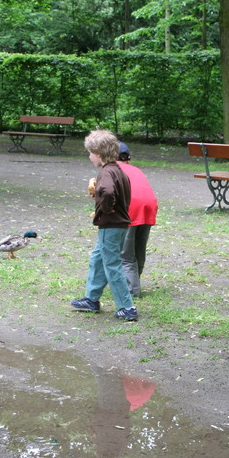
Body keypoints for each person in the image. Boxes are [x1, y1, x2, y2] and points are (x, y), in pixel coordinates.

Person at [70, 130, 138, 322]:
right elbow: (111, 193)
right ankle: (92, 299)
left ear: (98, 154)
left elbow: (108, 192)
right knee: (98, 257)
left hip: (111, 225)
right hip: (117, 225)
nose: (89, 157)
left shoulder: (106, 172)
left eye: (90, 153)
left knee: (112, 264)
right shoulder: (117, 170)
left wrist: (104, 209)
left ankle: (127, 307)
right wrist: (99, 197)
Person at [117, 142, 158, 297]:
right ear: (128, 158)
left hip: (131, 207)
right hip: (149, 206)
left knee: (126, 254)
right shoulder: (136, 169)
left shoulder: (113, 169)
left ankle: (132, 291)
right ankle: (135, 282)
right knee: (139, 248)